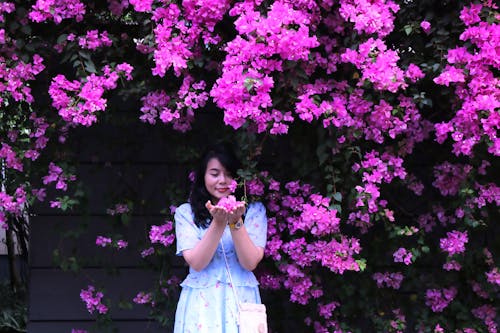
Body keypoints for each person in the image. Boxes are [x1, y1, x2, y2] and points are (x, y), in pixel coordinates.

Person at [173, 143, 268, 333]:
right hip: (202, 302)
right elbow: (197, 263)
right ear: (203, 177)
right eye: (215, 174)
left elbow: (250, 262)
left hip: (242, 301)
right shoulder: (186, 213)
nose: (222, 180)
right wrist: (218, 223)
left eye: (229, 174)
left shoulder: (254, 211)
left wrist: (235, 221)